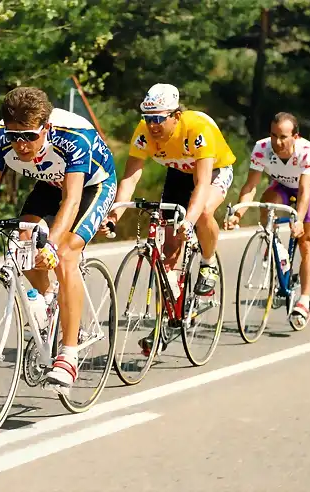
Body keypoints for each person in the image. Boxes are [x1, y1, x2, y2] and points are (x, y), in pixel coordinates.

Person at [0, 86, 117, 393]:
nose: (20, 145)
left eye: (29, 136)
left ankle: (69, 355)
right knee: (21, 242)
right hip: (48, 182)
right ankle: (49, 301)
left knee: (65, 254)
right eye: (13, 136)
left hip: (90, 185)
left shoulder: (73, 138)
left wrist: (52, 245)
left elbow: (72, 201)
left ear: (45, 128)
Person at [101, 83, 235, 354]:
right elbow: (131, 176)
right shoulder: (144, 132)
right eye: (147, 118)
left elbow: (201, 184)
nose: (152, 125)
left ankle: (208, 265)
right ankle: (169, 320)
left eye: (158, 118)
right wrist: (115, 213)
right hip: (177, 174)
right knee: (169, 252)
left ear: (175, 115)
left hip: (212, 171)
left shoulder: (197, 129)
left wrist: (189, 220)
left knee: (203, 213)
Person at [225, 112, 310, 327]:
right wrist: (238, 213)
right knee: (266, 202)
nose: (277, 142)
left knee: (306, 241)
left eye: (283, 137)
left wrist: (297, 219)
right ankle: (277, 249)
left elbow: (305, 191)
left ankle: (304, 300)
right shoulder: (262, 148)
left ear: (295, 137)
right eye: (273, 135)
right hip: (282, 187)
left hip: (309, 188)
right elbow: (250, 186)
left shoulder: (306, 151)